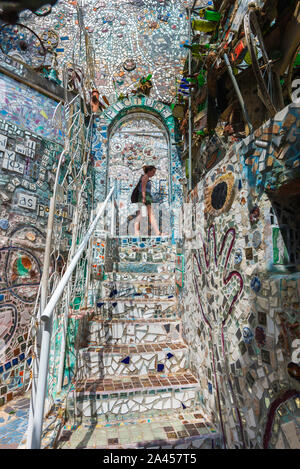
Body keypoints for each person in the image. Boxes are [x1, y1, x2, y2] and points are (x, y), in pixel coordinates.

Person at [133, 164, 163, 236]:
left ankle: (157, 232)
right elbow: (143, 188)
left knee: (149, 214)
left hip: (147, 196)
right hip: (144, 196)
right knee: (141, 214)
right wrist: (143, 198)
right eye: (153, 172)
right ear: (149, 171)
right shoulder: (145, 177)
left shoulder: (146, 178)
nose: (154, 174)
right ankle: (136, 231)